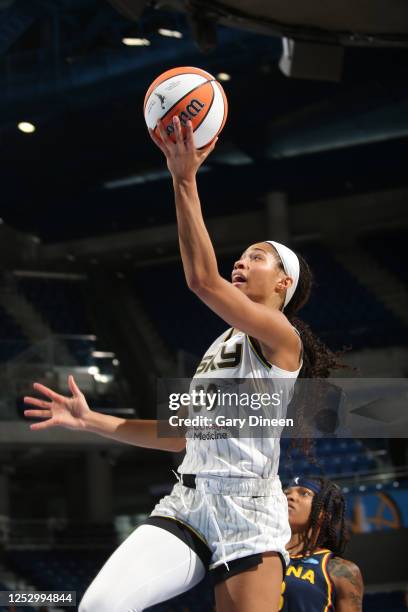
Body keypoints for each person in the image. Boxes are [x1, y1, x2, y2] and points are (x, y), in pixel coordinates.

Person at [24, 116, 341, 612]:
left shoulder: (283, 337)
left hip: (249, 511)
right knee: (99, 607)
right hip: (188, 502)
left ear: (284, 284)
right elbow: (182, 434)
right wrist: (91, 421)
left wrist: (184, 178)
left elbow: (200, 280)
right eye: (241, 256)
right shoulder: (220, 347)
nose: (241, 262)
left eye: (257, 257)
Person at [281, 476, 364, 611]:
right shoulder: (261, 556)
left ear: (323, 513)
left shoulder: (340, 570)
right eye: (286, 493)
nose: (289, 497)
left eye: (304, 493)